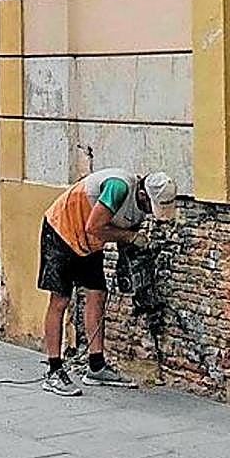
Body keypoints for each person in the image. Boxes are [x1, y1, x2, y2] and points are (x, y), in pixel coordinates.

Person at [38, 168, 177, 396]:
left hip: (91, 242)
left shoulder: (142, 209)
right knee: (60, 300)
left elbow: (119, 236)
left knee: (97, 294)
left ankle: (96, 366)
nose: (152, 213)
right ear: (143, 194)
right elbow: (94, 226)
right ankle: (54, 370)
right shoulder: (118, 187)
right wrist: (132, 237)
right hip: (62, 230)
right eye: (151, 206)